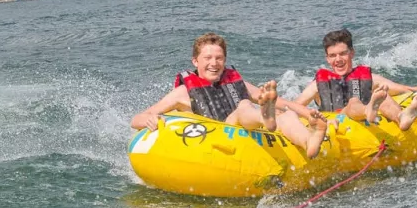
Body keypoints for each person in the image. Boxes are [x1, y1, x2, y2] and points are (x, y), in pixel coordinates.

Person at [132, 32, 329, 158]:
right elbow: (137, 119)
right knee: (243, 106)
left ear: (225, 61)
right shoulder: (182, 92)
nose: (214, 63)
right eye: (207, 58)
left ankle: (309, 142)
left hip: (250, 132)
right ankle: (264, 117)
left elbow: (283, 103)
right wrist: (150, 120)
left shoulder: (236, 82)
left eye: (219, 58)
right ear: (195, 62)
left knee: (285, 115)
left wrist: (308, 114)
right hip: (218, 138)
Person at [295, 28, 417, 131]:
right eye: (332, 56)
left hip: (365, 124)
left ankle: (401, 117)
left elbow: (401, 89)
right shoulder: (317, 85)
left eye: (343, 54)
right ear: (327, 59)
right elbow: (295, 107)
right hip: (338, 121)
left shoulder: (369, 78)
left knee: (382, 94)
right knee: (354, 102)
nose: (338, 60)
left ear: (352, 53)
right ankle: (368, 109)